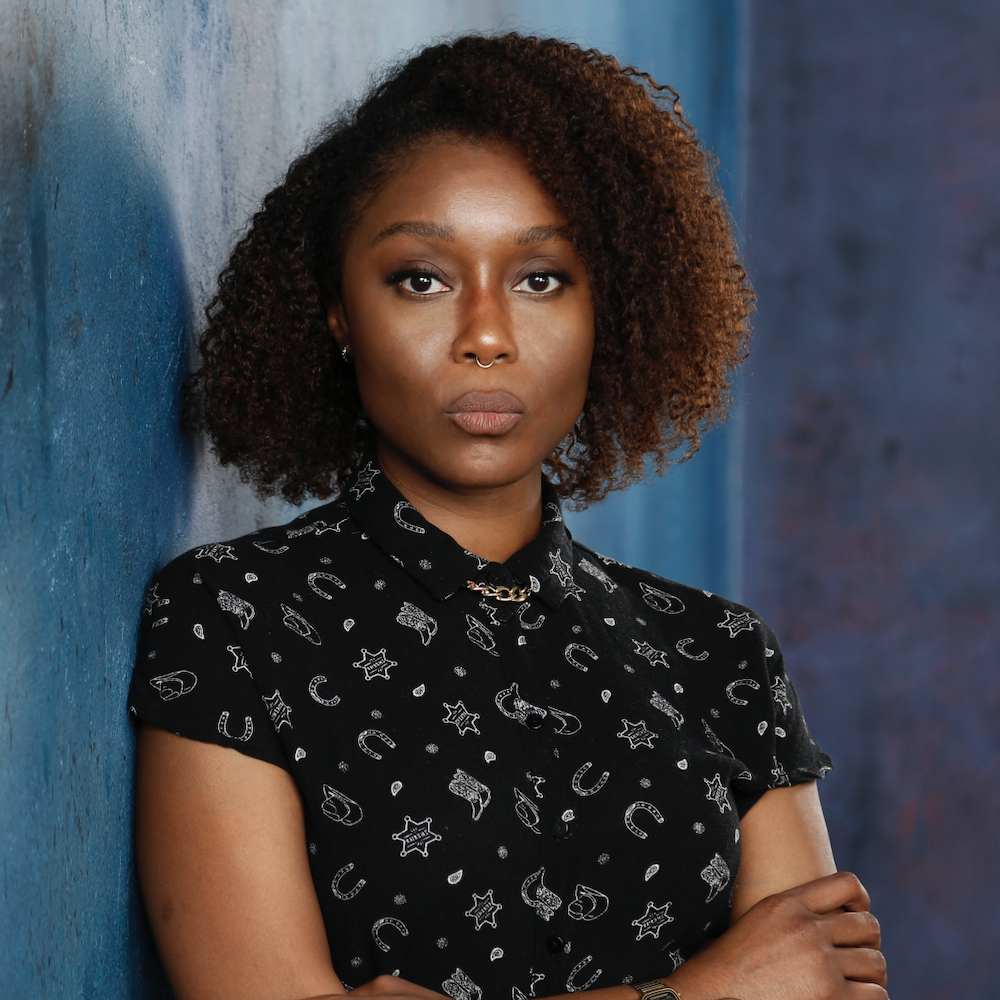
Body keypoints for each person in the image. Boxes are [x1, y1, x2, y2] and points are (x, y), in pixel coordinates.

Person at [129, 32, 887, 1000]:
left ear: (610, 310)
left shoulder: (719, 656)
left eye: (541, 279)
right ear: (336, 313)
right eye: (421, 278)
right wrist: (701, 991)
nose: (486, 335)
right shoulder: (236, 617)